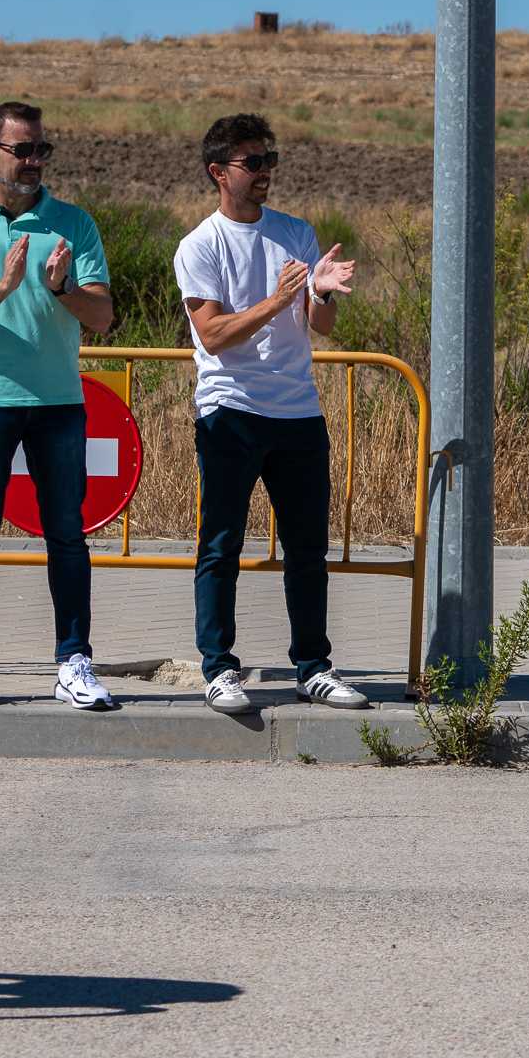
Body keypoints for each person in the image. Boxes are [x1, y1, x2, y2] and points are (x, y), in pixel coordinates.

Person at [0, 101, 120, 711]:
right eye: (21, 150)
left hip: (58, 401)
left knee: (67, 535)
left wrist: (59, 288)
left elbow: (103, 317)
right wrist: (2, 288)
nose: (34, 161)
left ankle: (74, 661)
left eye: (41, 150)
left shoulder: (73, 223)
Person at [173, 113, 368, 714]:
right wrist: (276, 298)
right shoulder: (200, 245)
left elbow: (321, 326)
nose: (264, 173)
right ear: (218, 173)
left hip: (298, 413)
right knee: (221, 544)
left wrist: (324, 291)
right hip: (230, 412)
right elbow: (213, 335)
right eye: (251, 163)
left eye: (269, 160)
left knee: (308, 547)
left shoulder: (296, 233)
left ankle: (313, 665)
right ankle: (220, 668)